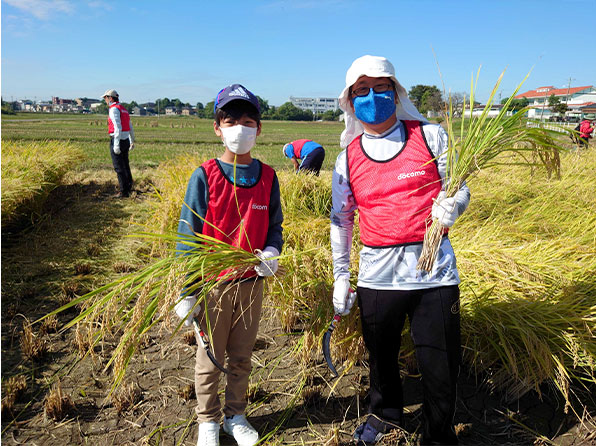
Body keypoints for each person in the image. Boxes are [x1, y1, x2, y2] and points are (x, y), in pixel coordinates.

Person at [330, 55, 470, 445]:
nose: (372, 97)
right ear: (350, 100)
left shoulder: (430, 137)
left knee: (439, 364)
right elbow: (341, 220)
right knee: (381, 359)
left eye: (381, 87)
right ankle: (386, 416)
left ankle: (438, 433)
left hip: (435, 275)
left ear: (396, 91)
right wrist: (342, 275)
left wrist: (455, 204)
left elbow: (459, 186)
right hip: (378, 277)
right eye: (362, 91)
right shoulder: (347, 158)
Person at [174, 84, 283, 446]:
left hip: (251, 283)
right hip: (213, 286)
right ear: (217, 127)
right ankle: (208, 420)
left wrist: (272, 251)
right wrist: (187, 290)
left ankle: (235, 415)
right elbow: (188, 236)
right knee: (210, 358)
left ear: (259, 129)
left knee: (241, 355)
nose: (240, 127)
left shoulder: (268, 177)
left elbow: (275, 228)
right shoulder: (205, 176)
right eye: (231, 120)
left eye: (248, 120)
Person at [103, 89, 135, 198]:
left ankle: (123, 191)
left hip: (118, 140)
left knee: (119, 167)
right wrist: (131, 140)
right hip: (125, 140)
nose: (105, 100)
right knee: (125, 164)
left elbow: (117, 128)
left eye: (105, 98)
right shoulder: (124, 109)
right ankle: (129, 186)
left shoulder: (114, 110)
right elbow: (130, 126)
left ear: (110, 98)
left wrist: (116, 145)